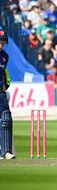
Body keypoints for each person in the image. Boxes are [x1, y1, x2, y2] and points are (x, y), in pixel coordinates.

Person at [0, 31, 14, 160]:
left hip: (0, 91)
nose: (1, 43)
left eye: (3, 41)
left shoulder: (4, 56)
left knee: (6, 118)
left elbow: (4, 73)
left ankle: (5, 151)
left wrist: (5, 86)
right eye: (0, 41)